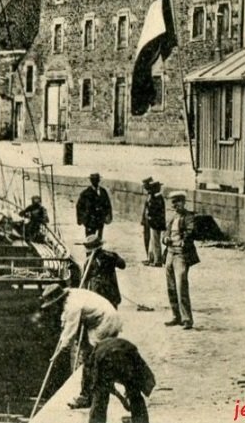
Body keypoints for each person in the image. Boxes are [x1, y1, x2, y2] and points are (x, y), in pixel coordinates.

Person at [40, 284, 123, 410]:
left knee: (91, 358)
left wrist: (59, 351)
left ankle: (88, 396)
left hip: (105, 322)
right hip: (98, 320)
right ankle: (89, 393)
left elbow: (70, 332)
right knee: (91, 357)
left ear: (58, 300)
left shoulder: (72, 306)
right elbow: (66, 323)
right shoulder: (71, 295)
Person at [86, 337, 155, 423]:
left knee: (100, 396)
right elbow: (146, 380)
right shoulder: (131, 354)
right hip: (125, 356)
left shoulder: (95, 354)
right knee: (135, 393)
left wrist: (123, 396)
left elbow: (94, 381)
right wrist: (128, 395)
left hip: (105, 357)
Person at [163, 191, 199, 330]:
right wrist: (165, 239)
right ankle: (176, 316)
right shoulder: (172, 218)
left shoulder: (189, 217)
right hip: (170, 254)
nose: (175, 205)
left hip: (181, 255)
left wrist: (184, 240)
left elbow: (191, 232)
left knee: (181, 286)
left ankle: (187, 319)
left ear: (183, 202)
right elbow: (166, 232)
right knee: (171, 286)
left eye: (178, 202)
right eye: (173, 202)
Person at [80, 234, 126, 309]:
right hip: (111, 293)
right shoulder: (110, 256)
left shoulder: (89, 262)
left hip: (97, 294)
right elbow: (122, 265)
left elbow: (84, 281)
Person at [77, 172, 113, 237]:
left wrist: (107, 216)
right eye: (93, 180)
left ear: (99, 180)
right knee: (90, 238)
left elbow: (107, 204)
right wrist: (83, 219)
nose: (95, 181)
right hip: (90, 221)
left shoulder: (103, 191)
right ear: (91, 181)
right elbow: (79, 206)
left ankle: (99, 247)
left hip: (100, 220)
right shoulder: (86, 193)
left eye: (96, 179)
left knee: (99, 238)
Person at [145, 181, 167, 267]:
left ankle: (157, 260)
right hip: (156, 222)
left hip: (155, 223)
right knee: (153, 241)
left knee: (155, 241)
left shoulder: (156, 198)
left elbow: (152, 210)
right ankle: (152, 258)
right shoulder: (157, 197)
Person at [139, 177, 153, 261]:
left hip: (150, 221)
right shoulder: (149, 194)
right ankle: (148, 256)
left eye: (145, 185)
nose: (144, 187)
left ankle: (150, 257)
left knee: (149, 239)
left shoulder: (152, 195)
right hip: (146, 221)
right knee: (147, 239)